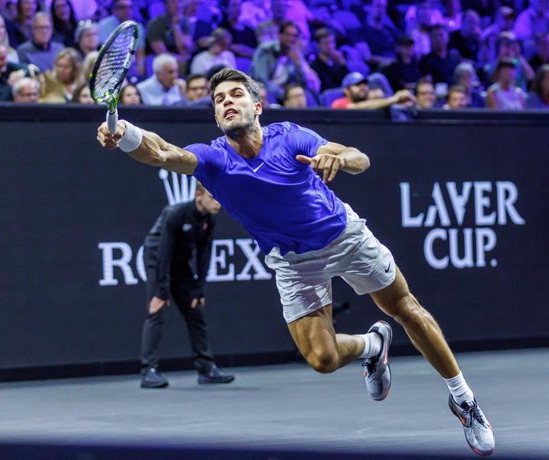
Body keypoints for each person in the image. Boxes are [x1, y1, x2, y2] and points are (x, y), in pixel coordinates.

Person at [96, 68, 495, 457]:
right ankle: (372, 346)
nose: (227, 103)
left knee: (405, 308)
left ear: (258, 106)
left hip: (344, 237)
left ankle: (464, 400)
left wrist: (341, 161)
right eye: (219, 100)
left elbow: (357, 157)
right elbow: (162, 151)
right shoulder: (213, 160)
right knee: (322, 359)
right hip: (293, 262)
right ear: (216, 116)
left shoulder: (290, 137)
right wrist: (125, 133)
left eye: (235, 95)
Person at [138, 182, 235, 389]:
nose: (218, 202)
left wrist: (198, 290)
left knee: (195, 310)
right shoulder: (175, 214)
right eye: (213, 196)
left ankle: (207, 369)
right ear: (198, 195)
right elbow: (164, 253)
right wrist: (161, 292)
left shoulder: (209, 219)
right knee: (156, 311)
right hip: (157, 260)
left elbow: (203, 254)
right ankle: (149, 371)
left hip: (180, 263)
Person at [331, 71, 414, 109]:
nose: (362, 87)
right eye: (357, 85)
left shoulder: (374, 101)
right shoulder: (339, 103)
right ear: (346, 90)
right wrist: (394, 99)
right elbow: (357, 107)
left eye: (364, 84)